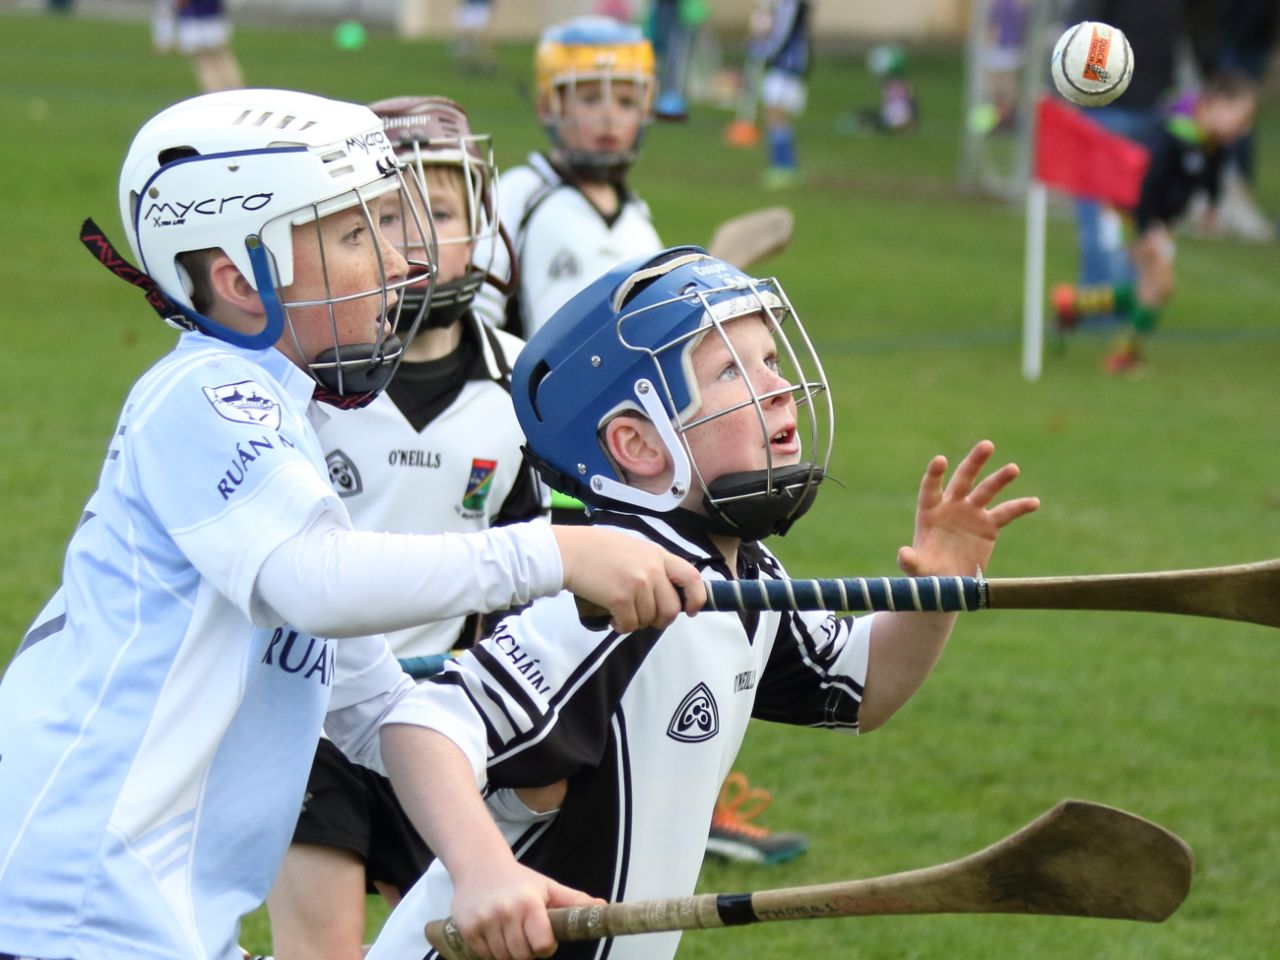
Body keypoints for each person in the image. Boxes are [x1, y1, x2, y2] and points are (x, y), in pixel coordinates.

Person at [0, 88, 706, 960]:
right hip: (74, 907)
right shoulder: (204, 398)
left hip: (152, 921)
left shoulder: (282, 424)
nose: (400, 263)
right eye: (354, 233)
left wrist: (486, 862)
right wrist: (558, 551)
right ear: (238, 278)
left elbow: (377, 709)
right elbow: (315, 580)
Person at [366, 246, 1040, 960]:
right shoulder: (616, 593)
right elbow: (423, 726)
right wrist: (484, 873)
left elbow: (859, 686)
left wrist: (933, 595)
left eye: (771, 359)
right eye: (730, 371)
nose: (778, 388)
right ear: (637, 443)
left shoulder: (743, 574)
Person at [475, 14, 807, 860]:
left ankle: (683, 798)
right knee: (534, 696)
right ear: (550, 105)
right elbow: (522, 355)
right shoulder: (520, 202)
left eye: (624, 98)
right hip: (535, 484)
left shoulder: (637, 221)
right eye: (586, 98)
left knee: (669, 650)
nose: (607, 117)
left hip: (627, 483)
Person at [265, 94, 547, 960]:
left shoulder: (526, 388)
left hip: (437, 724)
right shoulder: (301, 375)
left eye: (442, 211)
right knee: (326, 948)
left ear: (484, 223)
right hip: (307, 713)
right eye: (386, 215)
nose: (414, 238)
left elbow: (540, 581)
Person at [1054, 73, 1259, 372]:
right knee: (1159, 285)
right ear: (1216, 103)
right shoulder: (1172, 133)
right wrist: (1146, 228)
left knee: (1150, 289)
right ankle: (1121, 353)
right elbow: (1144, 185)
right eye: (1241, 118)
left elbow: (1212, 173)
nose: (1245, 128)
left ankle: (1075, 306)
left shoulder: (1213, 141)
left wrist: (1212, 205)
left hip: (1161, 222)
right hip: (1136, 215)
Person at [750, 0, 812, 189]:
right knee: (774, 116)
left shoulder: (789, 5)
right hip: (782, 66)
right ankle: (783, 165)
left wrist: (760, 49)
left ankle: (784, 167)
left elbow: (780, 36)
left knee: (777, 116)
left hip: (786, 67)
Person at [152, 0, 245, 93]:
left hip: (193, 21)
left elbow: (170, 6)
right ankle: (237, 92)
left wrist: (164, 36)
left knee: (205, 64)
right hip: (214, 18)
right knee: (223, 59)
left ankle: (216, 95)